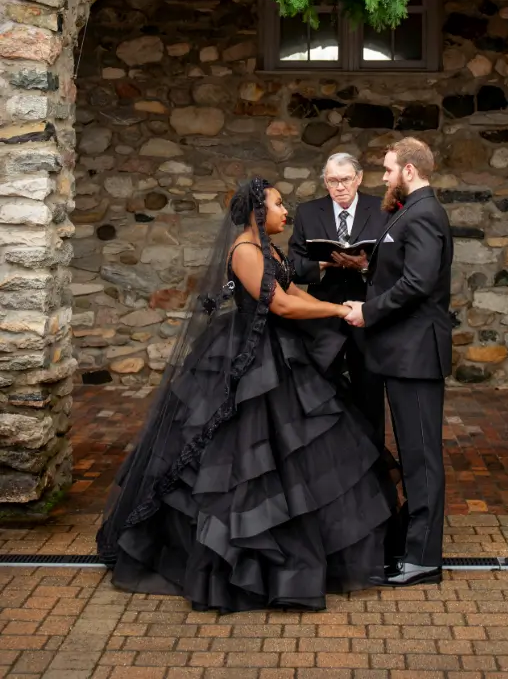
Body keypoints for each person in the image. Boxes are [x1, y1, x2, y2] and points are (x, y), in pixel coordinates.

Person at [96, 177, 392, 614]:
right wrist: (342, 310)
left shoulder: (269, 250)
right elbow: (281, 306)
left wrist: (342, 305)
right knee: (243, 452)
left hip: (282, 352)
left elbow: (293, 292)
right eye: (277, 204)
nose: (285, 211)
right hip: (248, 358)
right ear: (258, 211)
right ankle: (237, 552)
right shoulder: (245, 251)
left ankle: (302, 545)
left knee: (297, 448)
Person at [345, 138, 452, 588]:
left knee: (422, 457)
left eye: (388, 169)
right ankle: (409, 547)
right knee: (412, 456)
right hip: (401, 353)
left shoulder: (425, 213)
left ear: (409, 170)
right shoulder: (409, 210)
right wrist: (367, 267)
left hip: (416, 356)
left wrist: (368, 311)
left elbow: (418, 282)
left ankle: (424, 559)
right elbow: (401, 270)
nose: (383, 177)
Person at [288, 153, 387, 449]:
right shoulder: (308, 212)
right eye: (332, 180)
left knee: (369, 393)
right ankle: (325, 459)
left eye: (345, 180)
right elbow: (293, 264)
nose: (339, 186)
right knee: (320, 390)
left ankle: (373, 467)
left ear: (358, 179)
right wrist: (324, 265)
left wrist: (364, 266)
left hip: (366, 312)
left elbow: (393, 264)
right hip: (323, 315)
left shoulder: (381, 210)